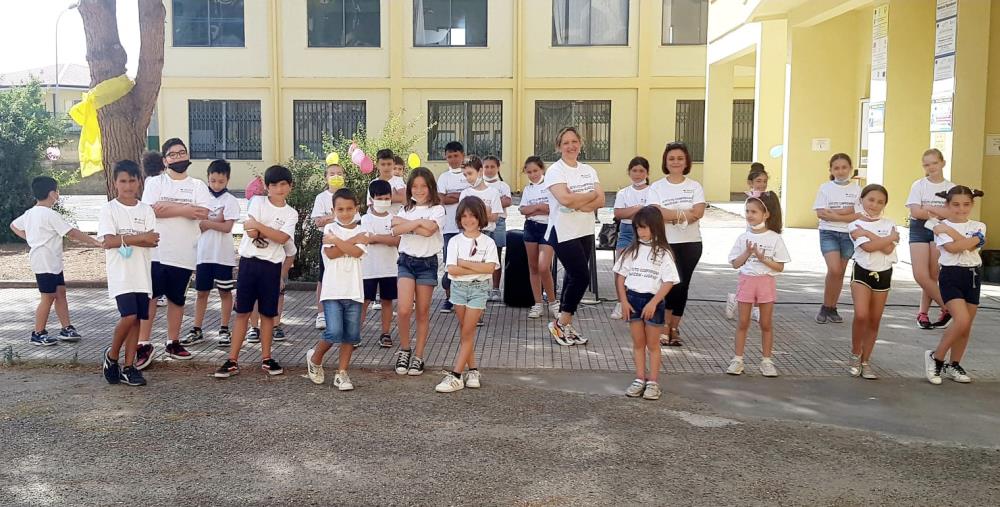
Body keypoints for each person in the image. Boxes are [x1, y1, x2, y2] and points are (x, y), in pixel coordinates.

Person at [214, 165, 299, 379]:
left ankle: (267, 357)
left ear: (290, 186)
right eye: (273, 185)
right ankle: (232, 359)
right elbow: (250, 232)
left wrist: (260, 226)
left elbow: (282, 239)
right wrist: (265, 230)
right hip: (249, 264)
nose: (278, 189)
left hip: (271, 267)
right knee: (242, 312)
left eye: (283, 184)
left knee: (268, 314)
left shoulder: (291, 213)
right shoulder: (258, 202)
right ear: (267, 187)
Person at [136, 138, 212, 368]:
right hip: (157, 252)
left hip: (184, 253)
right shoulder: (155, 182)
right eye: (173, 154)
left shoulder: (198, 185)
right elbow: (151, 210)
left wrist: (168, 208)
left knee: (177, 299)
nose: (178, 157)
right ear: (164, 159)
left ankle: (173, 341)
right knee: (150, 298)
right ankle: (143, 343)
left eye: (182, 153)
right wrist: (185, 209)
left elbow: (202, 212)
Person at [10, 176, 102, 346]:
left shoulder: (30, 213)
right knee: (48, 297)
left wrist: (30, 238)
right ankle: (38, 333)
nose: (58, 194)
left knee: (60, 293)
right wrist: (96, 242)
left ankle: (66, 328)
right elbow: (72, 232)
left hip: (52, 261)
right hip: (44, 262)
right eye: (57, 191)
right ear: (52, 193)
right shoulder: (49, 214)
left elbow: (14, 226)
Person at [97, 160, 159, 386]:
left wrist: (135, 239)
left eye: (132, 180)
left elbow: (153, 241)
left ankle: (129, 366)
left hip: (141, 274)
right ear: (115, 183)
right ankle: (112, 356)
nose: (128, 185)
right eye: (123, 181)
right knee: (128, 316)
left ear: (139, 182)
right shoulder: (109, 209)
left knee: (137, 322)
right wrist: (139, 238)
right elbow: (108, 241)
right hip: (121, 274)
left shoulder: (146, 210)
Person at [544, 127, 605, 346]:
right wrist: (588, 197)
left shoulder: (589, 170)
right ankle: (561, 322)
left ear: (580, 143)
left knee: (572, 276)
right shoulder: (555, 171)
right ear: (558, 146)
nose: (571, 146)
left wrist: (579, 199)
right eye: (566, 142)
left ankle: (564, 323)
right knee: (582, 276)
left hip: (585, 230)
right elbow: (565, 200)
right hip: (563, 231)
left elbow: (601, 201)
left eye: (574, 141)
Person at [435, 197, 500, 393]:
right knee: (466, 330)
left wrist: (466, 263)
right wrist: (473, 267)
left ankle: (455, 375)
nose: (468, 220)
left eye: (472, 216)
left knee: (467, 331)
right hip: (458, 289)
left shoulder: (488, 241)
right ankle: (473, 370)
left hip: (479, 289)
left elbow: (490, 268)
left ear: (480, 217)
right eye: (464, 216)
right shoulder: (455, 241)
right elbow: (452, 270)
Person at [613, 206, 679, 400]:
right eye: (637, 228)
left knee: (653, 344)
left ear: (655, 227)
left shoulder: (664, 253)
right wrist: (623, 301)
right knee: (638, 343)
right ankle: (639, 378)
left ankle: (653, 382)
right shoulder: (631, 250)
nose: (640, 232)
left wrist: (654, 303)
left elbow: (668, 281)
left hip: (653, 302)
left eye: (644, 227)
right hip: (632, 300)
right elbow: (620, 277)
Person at [306, 188, 369, 390]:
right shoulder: (329, 229)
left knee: (351, 335)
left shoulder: (363, 230)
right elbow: (331, 255)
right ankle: (315, 358)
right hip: (332, 291)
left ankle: (342, 373)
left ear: (356, 209)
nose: (345, 213)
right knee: (334, 332)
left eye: (349, 208)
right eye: (340, 209)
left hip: (354, 291)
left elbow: (357, 252)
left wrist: (340, 243)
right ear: (333, 210)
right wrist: (351, 242)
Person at [924, 186, 987, 385]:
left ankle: (955, 364)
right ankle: (937, 357)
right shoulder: (936, 225)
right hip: (951, 275)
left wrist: (952, 232)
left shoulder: (979, 224)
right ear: (947, 205)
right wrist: (971, 240)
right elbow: (952, 248)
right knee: (961, 320)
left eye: (966, 204)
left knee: (966, 326)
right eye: (956, 205)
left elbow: (975, 245)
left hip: (974, 276)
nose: (961, 209)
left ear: (972, 205)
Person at [646, 142, 705, 347]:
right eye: (671, 158)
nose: (676, 162)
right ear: (665, 161)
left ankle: (674, 327)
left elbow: (698, 213)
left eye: (680, 158)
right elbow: (655, 213)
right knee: (668, 285)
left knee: (683, 286)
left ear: (686, 161)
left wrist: (670, 215)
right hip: (665, 243)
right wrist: (683, 215)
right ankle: (663, 326)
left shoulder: (694, 186)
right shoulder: (657, 187)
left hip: (691, 243)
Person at [725, 191, 790, 377]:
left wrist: (762, 259)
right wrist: (747, 253)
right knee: (743, 322)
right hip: (747, 281)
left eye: (754, 211)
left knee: (766, 323)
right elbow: (735, 263)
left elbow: (779, 267)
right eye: (747, 211)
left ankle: (767, 361)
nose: (749, 215)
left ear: (766, 214)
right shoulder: (742, 237)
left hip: (766, 283)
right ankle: (738, 359)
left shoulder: (775, 238)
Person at [391, 167, 446, 376]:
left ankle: (419, 355)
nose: (419, 190)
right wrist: (417, 224)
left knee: (422, 312)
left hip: (427, 264)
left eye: (423, 186)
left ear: (431, 187)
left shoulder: (438, 209)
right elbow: (395, 227)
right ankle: (405, 349)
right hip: (406, 261)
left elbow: (430, 231)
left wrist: (409, 226)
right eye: (415, 186)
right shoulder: (405, 209)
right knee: (404, 309)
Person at [182, 159, 240, 347]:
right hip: (203, 254)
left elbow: (227, 227)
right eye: (213, 180)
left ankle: (224, 329)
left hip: (222, 255)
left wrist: (208, 223)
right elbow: (196, 223)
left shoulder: (230, 200)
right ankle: (196, 329)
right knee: (201, 293)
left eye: (220, 181)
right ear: (208, 178)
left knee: (225, 292)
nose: (216, 185)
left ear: (228, 180)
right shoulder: (201, 199)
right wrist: (216, 219)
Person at [848, 184, 899, 380]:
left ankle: (866, 361)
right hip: (862, 272)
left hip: (884, 273)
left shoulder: (889, 223)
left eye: (880, 202)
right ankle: (855, 353)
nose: (874, 205)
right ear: (861, 200)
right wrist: (886, 238)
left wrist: (870, 234)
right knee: (861, 315)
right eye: (871, 200)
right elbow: (868, 248)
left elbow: (887, 250)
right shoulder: (855, 224)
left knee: (874, 319)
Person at [813, 153, 866, 324]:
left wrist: (834, 214)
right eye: (836, 168)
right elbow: (821, 213)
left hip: (849, 235)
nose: (841, 171)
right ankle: (826, 305)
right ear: (831, 170)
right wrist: (846, 213)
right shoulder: (825, 188)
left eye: (844, 167)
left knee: (840, 273)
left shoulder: (858, 190)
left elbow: (858, 214)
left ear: (850, 168)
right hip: (828, 233)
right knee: (834, 269)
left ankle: (831, 307)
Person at [906, 148, 955, 329]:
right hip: (919, 229)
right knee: (920, 275)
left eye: (934, 163)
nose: (931, 167)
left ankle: (923, 313)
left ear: (942, 163)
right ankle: (949, 307)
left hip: (940, 229)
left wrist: (929, 208)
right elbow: (915, 211)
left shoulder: (951, 188)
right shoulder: (918, 185)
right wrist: (938, 212)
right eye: (927, 164)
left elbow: (952, 212)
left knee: (933, 274)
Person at [610, 156, 651, 319]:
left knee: (643, 268)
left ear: (647, 173)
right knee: (620, 268)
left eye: (641, 171)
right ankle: (621, 303)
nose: (638, 174)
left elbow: (652, 213)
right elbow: (619, 213)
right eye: (634, 170)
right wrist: (639, 208)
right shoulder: (623, 193)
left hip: (647, 232)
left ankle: (642, 302)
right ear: (629, 172)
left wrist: (632, 211)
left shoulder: (653, 191)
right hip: (626, 232)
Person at [361, 179, 400, 348]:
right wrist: (385, 238)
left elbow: (397, 240)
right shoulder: (365, 219)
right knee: (364, 301)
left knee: (387, 301)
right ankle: (355, 333)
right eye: (379, 198)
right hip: (368, 269)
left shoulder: (395, 219)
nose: (383, 202)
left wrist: (377, 237)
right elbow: (367, 239)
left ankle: (385, 333)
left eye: (386, 198)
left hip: (390, 268)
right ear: (371, 199)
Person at [519, 156, 558, 319]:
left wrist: (535, 209)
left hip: (548, 228)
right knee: (533, 267)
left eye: (535, 171)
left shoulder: (550, 186)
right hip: (531, 228)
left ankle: (553, 302)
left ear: (542, 169)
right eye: (529, 172)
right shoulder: (528, 189)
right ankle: (537, 303)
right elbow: (523, 210)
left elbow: (552, 208)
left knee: (544, 267)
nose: (533, 174)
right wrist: (538, 208)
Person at [310, 163, 347, 330]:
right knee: (323, 277)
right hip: (327, 240)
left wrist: (332, 216)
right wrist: (335, 217)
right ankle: (321, 313)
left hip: (347, 240)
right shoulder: (321, 197)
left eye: (339, 173)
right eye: (332, 173)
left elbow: (355, 218)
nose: (336, 176)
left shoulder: (348, 195)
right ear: (326, 177)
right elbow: (317, 221)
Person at [436, 141, 472, 313]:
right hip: (449, 227)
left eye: (456, 155)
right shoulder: (444, 177)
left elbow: (472, 197)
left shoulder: (468, 174)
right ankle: (449, 298)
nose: (453, 159)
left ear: (462, 155)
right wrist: (462, 195)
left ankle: (466, 297)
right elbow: (441, 199)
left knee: (468, 262)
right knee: (450, 263)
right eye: (449, 156)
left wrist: (455, 196)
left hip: (469, 228)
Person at [483, 156, 512, 302]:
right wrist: (496, 202)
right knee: (481, 255)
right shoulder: (480, 184)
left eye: (492, 167)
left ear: (498, 168)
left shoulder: (502, 185)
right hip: (482, 222)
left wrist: (490, 202)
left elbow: (507, 201)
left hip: (499, 222)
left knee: (496, 255)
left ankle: (495, 289)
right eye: (486, 167)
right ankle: (482, 287)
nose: (489, 170)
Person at [369, 148, 406, 215]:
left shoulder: (399, 180)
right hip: (377, 220)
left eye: (389, 164)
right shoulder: (373, 183)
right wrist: (394, 197)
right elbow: (372, 205)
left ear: (393, 164)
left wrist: (381, 199)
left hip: (395, 219)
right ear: (377, 165)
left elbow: (405, 198)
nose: (386, 167)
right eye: (383, 164)